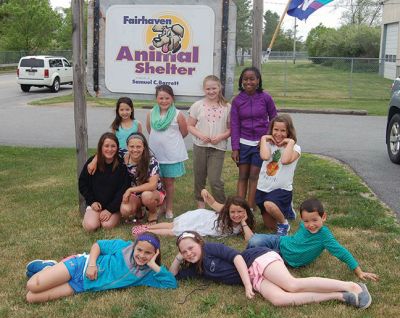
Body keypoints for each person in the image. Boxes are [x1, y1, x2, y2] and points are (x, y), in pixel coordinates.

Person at [170, 231, 372, 309]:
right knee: (279, 300)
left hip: (256, 259)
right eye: (184, 251)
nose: (188, 253)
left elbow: (238, 258)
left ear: (200, 243)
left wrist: (247, 286)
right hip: (255, 279)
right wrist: (178, 258)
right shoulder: (196, 268)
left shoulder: (210, 248)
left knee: (292, 285)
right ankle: (339, 296)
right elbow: (172, 277)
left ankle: (353, 285)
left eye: (191, 248)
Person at [247, 198, 379, 282]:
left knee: (260, 257)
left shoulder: (324, 236)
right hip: (280, 241)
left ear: (324, 217)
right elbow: (297, 237)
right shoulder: (304, 225)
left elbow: (341, 252)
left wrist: (359, 272)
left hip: (284, 257)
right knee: (255, 241)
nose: (310, 225)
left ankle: (247, 260)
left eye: (315, 220)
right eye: (306, 221)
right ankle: (245, 257)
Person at [25, 232, 177, 303]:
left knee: (31, 297)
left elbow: (171, 283)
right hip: (80, 266)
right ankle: (51, 266)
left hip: (81, 285)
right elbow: (98, 245)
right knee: (32, 285)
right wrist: (91, 265)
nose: (142, 255)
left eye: (148, 253)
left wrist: (154, 265)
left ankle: (49, 269)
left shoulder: (148, 274)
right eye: (139, 250)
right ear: (134, 247)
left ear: (155, 253)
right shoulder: (123, 247)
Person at [230, 66, 277, 211]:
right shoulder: (237, 100)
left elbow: (274, 118)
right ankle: (239, 207)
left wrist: (266, 139)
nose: (248, 82)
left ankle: (250, 208)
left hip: (260, 144)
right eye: (245, 79)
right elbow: (234, 124)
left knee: (254, 176)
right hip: (243, 143)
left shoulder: (266, 98)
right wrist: (235, 148)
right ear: (241, 81)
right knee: (243, 175)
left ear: (258, 81)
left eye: (252, 79)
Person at [131, 189, 255, 239]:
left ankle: (147, 230)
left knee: (175, 230)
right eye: (233, 212)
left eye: (240, 212)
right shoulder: (225, 212)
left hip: (203, 227)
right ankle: (148, 228)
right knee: (173, 227)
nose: (236, 215)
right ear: (228, 210)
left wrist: (244, 222)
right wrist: (205, 192)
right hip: (202, 219)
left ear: (246, 212)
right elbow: (213, 203)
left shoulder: (244, 224)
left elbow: (249, 239)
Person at [187, 75, 231, 207]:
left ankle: (222, 207)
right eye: (208, 89)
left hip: (218, 148)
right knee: (199, 177)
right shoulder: (197, 105)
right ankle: (201, 208)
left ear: (219, 88)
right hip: (200, 146)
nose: (211, 91)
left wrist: (221, 137)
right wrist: (200, 135)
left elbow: (231, 129)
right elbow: (190, 125)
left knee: (214, 179)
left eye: (214, 88)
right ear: (203, 89)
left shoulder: (227, 107)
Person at [146, 84, 188, 219]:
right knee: (157, 183)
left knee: (168, 182)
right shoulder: (151, 113)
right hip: (155, 155)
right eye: (161, 98)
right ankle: (161, 206)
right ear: (156, 99)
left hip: (170, 155)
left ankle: (169, 208)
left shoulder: (178, 114)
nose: (164, 101)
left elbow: (184, 132)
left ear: (172, 98)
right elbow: (149, 130)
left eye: (167, 98)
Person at [256, 114, 300, 235]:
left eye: (283, 130)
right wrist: (264, 138)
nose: (278, 133)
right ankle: (288, 211)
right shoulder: (268, 144)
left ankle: (284, 223)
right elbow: (265, 157)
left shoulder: (295, 148)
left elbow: (285, 161)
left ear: (289, 131)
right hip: (263, 187)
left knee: (269, 204)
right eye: (276, 129)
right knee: (270, 226)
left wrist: (290, 142)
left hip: (281, 189)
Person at [79, 132, 130, 231]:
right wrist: (92, 202)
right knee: (91, 226)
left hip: (113, 206)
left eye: (113, 146)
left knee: (107, 225)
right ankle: (91, 217)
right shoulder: (92, 163)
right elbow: (83, 183)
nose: (110, 149)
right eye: (106, 146)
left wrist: (110, 209)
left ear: (117, 148)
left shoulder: (121, 165)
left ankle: (117, 214)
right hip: (96, 204)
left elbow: (123, 190)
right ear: (101, 147)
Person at [120, 132, 166, 225]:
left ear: (144, 147)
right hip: (136, 194)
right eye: (132, 146)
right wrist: (94, 161)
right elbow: (105, 150)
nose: (135, 150)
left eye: (138, 147)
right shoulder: (123, 155)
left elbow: (152, 185)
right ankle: (139, 210)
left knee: (146, 196)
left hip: (153, 193)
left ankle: (153, 212)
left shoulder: (151, 161)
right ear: (127, 146)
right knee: (125, 210)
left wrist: (130, 190)